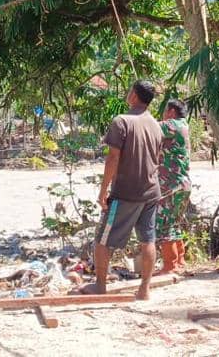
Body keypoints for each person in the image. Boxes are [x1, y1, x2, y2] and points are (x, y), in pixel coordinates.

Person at [80, 81, 163, 300]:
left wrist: (103, 191)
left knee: (102, 240)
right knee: (148, 239)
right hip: (151, 191)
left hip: (126, 192)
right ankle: (144, 289)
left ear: (134, 95)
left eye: (129, 90)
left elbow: (113, 157)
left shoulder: (121, 121)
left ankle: (100, 286)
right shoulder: (156, 124)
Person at [155, 99, 191, 275]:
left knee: (164, 223)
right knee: (175, 222)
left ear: (171, 111)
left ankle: (170, 265)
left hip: (170, 184)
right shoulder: (184, 125)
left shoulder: (172, 125)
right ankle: (180, 260)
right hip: (182, 183)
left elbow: (149, 128)